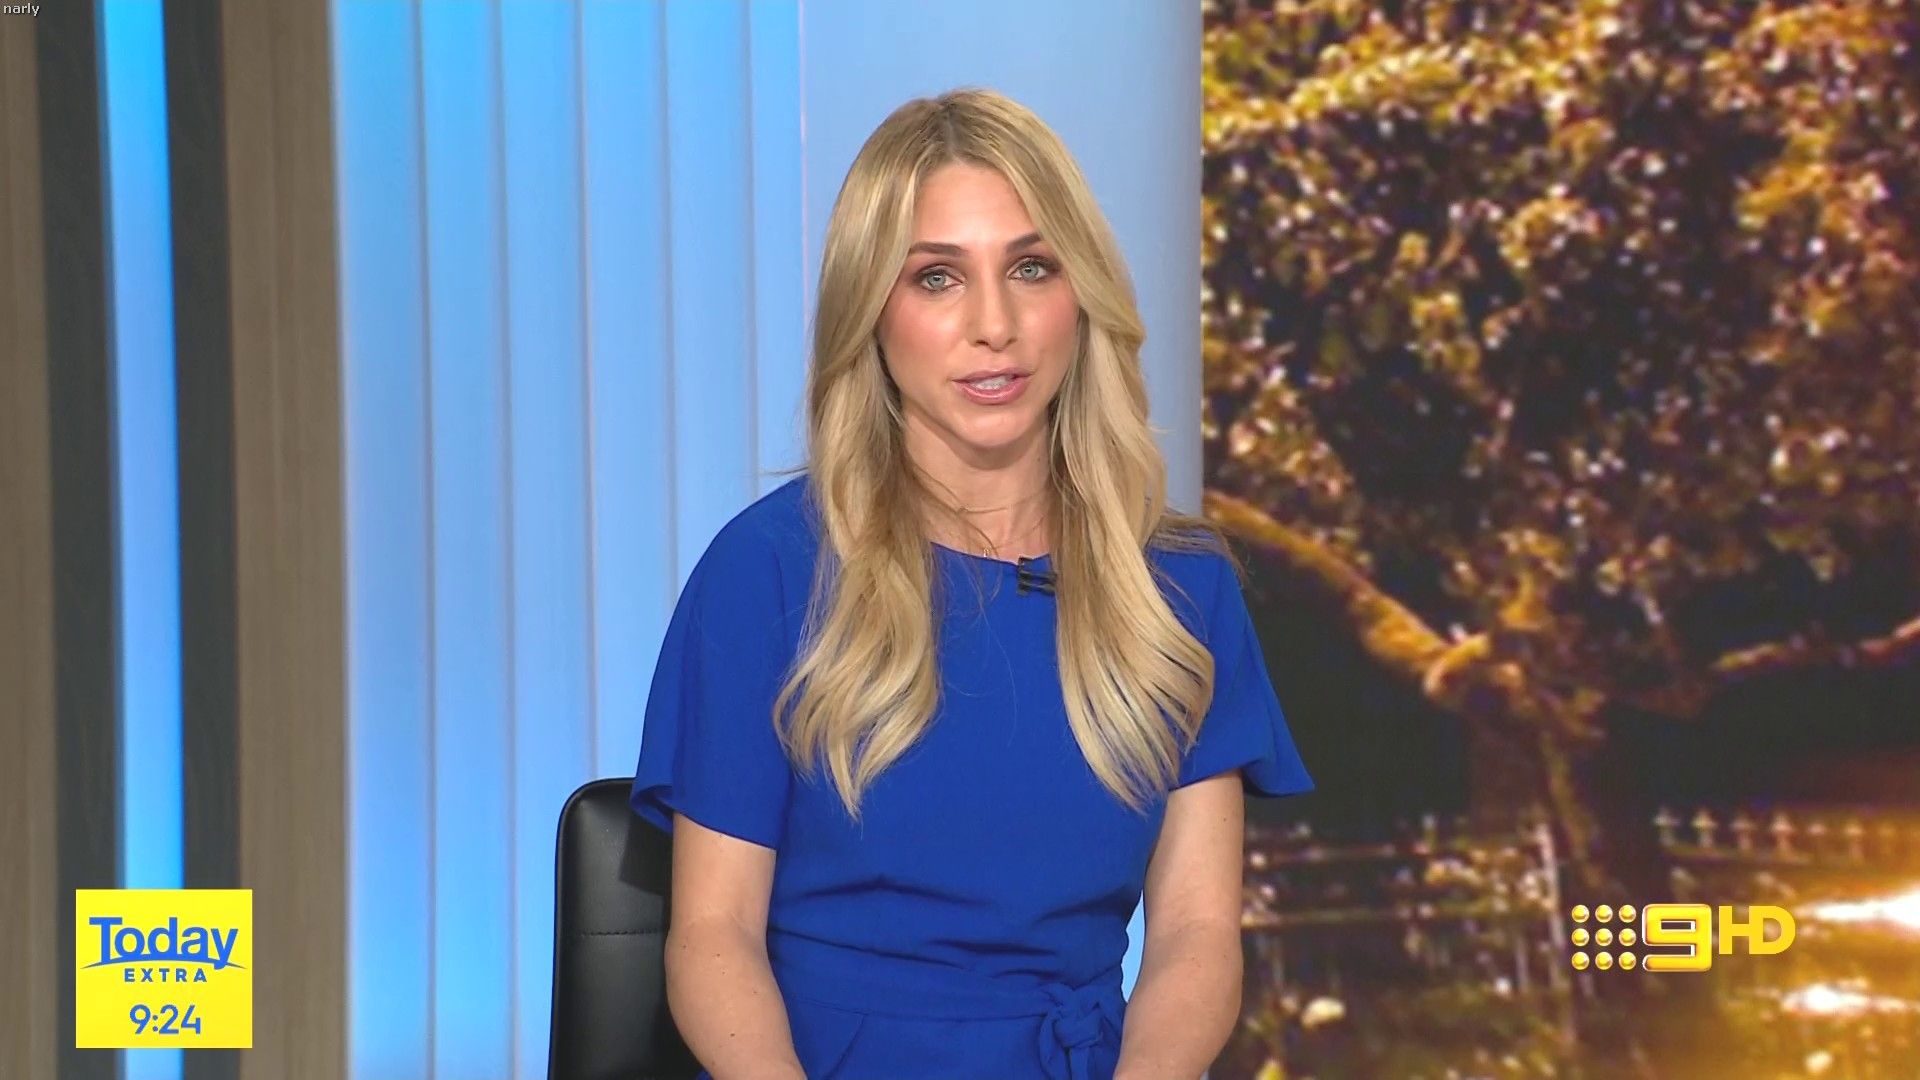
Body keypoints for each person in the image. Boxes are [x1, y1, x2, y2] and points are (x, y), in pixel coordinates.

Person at [631, 87, 1312, 1080]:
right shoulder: (769, 569)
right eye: (937, 278)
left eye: (1031, 267)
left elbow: (1197, 938)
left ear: (1081, 296)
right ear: (873, 312)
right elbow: (712, 938)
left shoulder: (1181, 587)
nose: (995, 324)